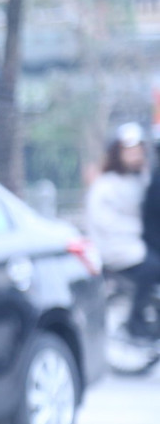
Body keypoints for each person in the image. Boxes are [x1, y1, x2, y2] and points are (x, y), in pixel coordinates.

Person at [86, 122, 155, 338]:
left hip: (136, 244)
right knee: (153, 268)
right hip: (116, 249)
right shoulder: (105, 186)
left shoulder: (141, 180)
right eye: (130, 152)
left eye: (138, 152)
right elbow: (103, 223)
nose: (135, 157)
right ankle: (135, 321)